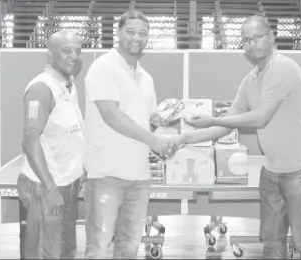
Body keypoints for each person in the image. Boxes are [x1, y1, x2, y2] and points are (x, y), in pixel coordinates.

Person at [172, 14, 301, 259]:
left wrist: (213, 119)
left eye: (257, 37)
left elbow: (260, 118)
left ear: (271, 37)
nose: (251, 44)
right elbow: (226, 126)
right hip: (272, 170)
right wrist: (185, 139)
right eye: (245, 40)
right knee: (272, 240)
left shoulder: (283, 68)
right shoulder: (250, 80)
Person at [83, 10, 176, 259]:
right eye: (131, 31)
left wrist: (155, 124)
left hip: (139, 178)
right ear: (118, 32)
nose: (137, 37)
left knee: (129, 247)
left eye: (143, 33)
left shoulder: (146, 78)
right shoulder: (103, 67)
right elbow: (112, 116)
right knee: (99, 249)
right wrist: (153, 139)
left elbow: (142, 126)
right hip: (105, 175)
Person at [17, 30, 85, 259]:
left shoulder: (68, 86)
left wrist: (78, 169)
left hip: (66, 183)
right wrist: (50, 188)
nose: (73, 56)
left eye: (77, 51)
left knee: (64, 251)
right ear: (50, 55)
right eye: (66, 51)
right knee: (45, 253)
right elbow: (30, 140)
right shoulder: (41, 88)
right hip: (45, 186)